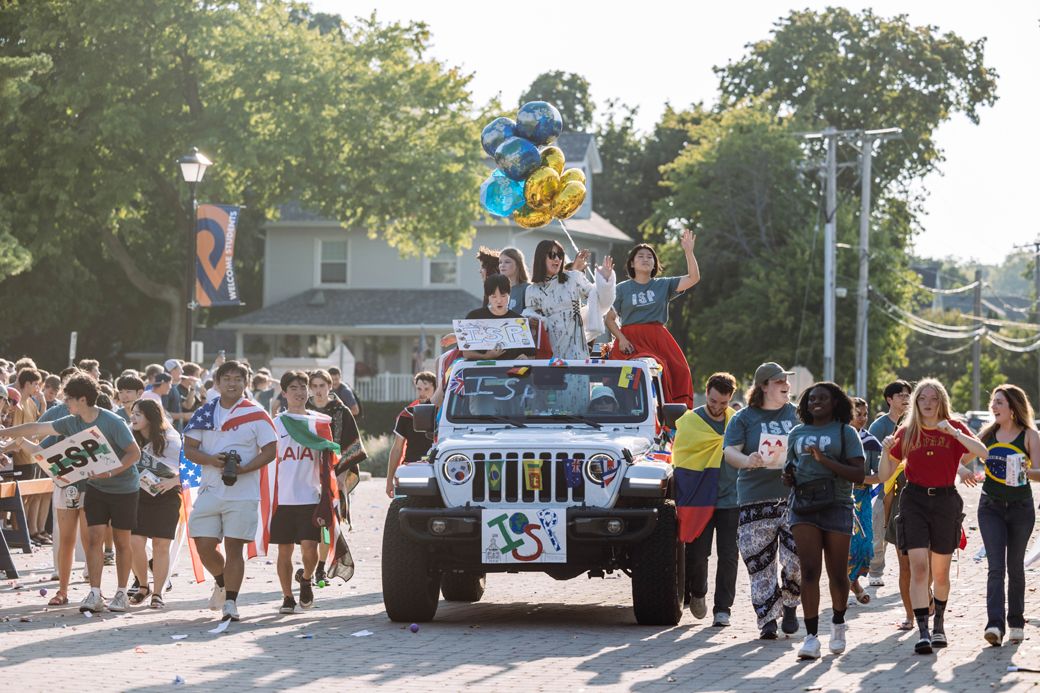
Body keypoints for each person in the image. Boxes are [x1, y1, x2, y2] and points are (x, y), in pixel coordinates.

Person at [0, 374, 142, 613]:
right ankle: (95, 593)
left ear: (83, 399)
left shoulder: (112, 422)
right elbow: (36, 428)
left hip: (123, 488)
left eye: (69, 399)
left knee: (121, 541)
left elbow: (134, 453)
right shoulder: (71, 421)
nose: (65, 402)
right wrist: (6, 433)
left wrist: (110, 473)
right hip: (95, 489)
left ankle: (120, 592)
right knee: (94, 539)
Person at [880, 378, 987, 655]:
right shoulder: (907, 431)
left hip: (944, 501)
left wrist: (954, 433)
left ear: (942, 402)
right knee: (918, 568)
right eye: (923, 399)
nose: (928, 404)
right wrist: (885, 450)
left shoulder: (953, 428)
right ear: (916, 402)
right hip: (914, 500)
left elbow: (983, 453)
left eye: (933, 399)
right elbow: (883, 475)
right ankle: (924, 631)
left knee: (940, 572)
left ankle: (939, 624)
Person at [183, 360, 278, 622]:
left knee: (234, 548)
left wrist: (245, 468)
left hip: (243, 491)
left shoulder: (256, 413)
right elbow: (190, 448)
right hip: (211, 489)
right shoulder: (205, 413)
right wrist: (212, 460)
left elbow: (271, 450)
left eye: (238, 379)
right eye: (227, 378)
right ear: (218, 382)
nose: (232, 383)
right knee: (204, 545)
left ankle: (231, 603)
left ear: (246, 383)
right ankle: (222, 582)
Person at [782, 382, 865, 659]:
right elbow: (789, 468)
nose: (816, 402)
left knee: (838, 573)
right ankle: (811, 637)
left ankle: (838, 624)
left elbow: (857, 474)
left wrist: (824, 460)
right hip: (803, 506)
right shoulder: (796, 433)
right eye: (811, 398)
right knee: (808, 571)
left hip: (837, 505)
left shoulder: (845, 432)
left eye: (823, 398)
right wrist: (788, 477)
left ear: (835, 403)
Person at [722, 362, 802, 639]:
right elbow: (729, 451)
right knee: (759, 562)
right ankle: (767, 618)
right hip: (755, 497)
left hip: (793, 498)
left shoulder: (798, 414)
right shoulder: (743, 418)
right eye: (780, 381)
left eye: (787, 381)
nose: (787, 385)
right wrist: (748, 460)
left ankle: (790, 603)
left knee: (797, 559)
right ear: (765, 386)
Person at [605, 229, 700, 408]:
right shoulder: (622, 288)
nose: (646, 259)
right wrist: (622, 339)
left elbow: (693, 278)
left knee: (680, 370)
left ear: (655, 263)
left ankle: (671, 416)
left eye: (650, 257)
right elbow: (609, 319)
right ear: (632, 263)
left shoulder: (663, 284)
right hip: (629, 340)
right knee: (628, 376)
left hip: (657, 338)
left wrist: (689, 251)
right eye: (640, 256)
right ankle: (628, 411)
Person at [976, 384, 1040, 646]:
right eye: (993, 402)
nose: (994, 407)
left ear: (1013, 408)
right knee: (995, 568)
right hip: (990, 506)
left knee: (1015, 567)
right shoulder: (987, 434)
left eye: (999, 402)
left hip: (1020, 508)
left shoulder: (1030, 436)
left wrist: (1023, 469)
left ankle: (1015, 621)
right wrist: (964, 471)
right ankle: (994, 624)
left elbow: (1039, 472)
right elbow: (963, 456)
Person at [675, 372, 739, 627]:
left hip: (731, 499)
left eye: (723, 403)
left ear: (730, 399)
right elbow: (680, 459)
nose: (717, 407)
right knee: (698, 553)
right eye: (713, 401)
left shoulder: (736, 423)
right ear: (707, 391)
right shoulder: (690, 422)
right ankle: (698, 591)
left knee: (729, 555)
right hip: (699, 498)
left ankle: (723, 608)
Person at [272, 371, 326, 614]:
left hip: (310, 496)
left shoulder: (319, 422)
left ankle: (306, 578)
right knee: (284, 550)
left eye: (303, 387)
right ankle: (286, 597)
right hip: (282, 499)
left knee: (310, 548)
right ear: (284, 393)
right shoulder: (276, 424)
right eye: (293, 388)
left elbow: (330, 460)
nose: (300, 392)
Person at [128, 399, 182, 609]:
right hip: (137, 496)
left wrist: (172, 482)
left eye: (138, 414)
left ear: (151, 417)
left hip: (166, 496)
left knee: (161, 546)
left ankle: (158, 593)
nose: (133, 417)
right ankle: (143, 586)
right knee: (134, 543)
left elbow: (191, 470)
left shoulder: (171, 439)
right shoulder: (129, 437)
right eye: (132, 413)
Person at [524, 239, 615, 360]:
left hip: (576, 348)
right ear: (541, 258)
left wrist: (605, 281)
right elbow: (529, 316)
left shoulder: (573, 277)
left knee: (577, 377)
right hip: (549, 349)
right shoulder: (532, 290)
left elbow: (598, 298)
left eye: (560, 255)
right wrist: (532, 319)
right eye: (552, 255)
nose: (557, 259)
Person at [308, 368, 367, 538]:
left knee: (328, 519)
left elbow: (352, 444)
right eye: (315, 386)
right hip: (307, 467)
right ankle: (312, 558)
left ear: (330, 386)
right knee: (309, 517)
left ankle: (322, 561)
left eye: (322, 385)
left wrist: (342, 474)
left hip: (334, 467)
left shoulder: (342, 411)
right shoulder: (304, 410)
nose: (319, 390)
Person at [867, 380, 911, 588]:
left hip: (906, 484)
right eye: (900, 395)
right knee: (880, 526)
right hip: (883, 483)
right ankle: (875, 570)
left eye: (907, 395)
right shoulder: (880, 425)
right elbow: (872, 457)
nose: (905, 399)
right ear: (889, 399)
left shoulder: (912, 423)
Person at [848, 397, 881, 605]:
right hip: (840, 498)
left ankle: (851, 583)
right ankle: (853, 587)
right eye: (857, 414)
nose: (862, 418)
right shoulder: (838, 438)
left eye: (865, 414)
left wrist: (858, 478)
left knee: (865, 544)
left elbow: (879, 475)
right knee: (847, 545)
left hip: (862, 497)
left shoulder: (871, 443)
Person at [463, 274, 538, 361]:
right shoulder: (474, 317)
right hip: (482, 372)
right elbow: (466, 353)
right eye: (494, 296)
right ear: (488, 297)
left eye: (503, 296)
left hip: (512, 372)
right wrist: (486, 356)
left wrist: (526, 359)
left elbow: (531, 355)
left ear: (509, 294)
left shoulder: (519, 321)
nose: (499, 301)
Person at [385, 372, 437, 498]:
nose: (422, 393)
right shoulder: (407, 415)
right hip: (411, 468)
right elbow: (397, 449)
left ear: (436, 389)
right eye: (419, 388)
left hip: (437, 469)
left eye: (426, 389)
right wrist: (389, 481)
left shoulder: (444, 415)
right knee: (403, 507)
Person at [11, 368, 48, 544]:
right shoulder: (19, 404)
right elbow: (16, 432)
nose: (38, 388)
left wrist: (43, 403)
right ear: (27, 383)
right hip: (21, 458)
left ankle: (28, 532)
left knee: (32, 496)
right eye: (35, 384)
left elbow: (38, 425)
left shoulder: (32, 402)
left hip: (32, 455)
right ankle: (20, 534)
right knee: (21, 499)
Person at [498, 246, 531, 313]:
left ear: (518, 264)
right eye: (500, 262)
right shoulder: (497, 290)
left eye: (507, 262)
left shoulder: (528, 289)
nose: (502, 265)